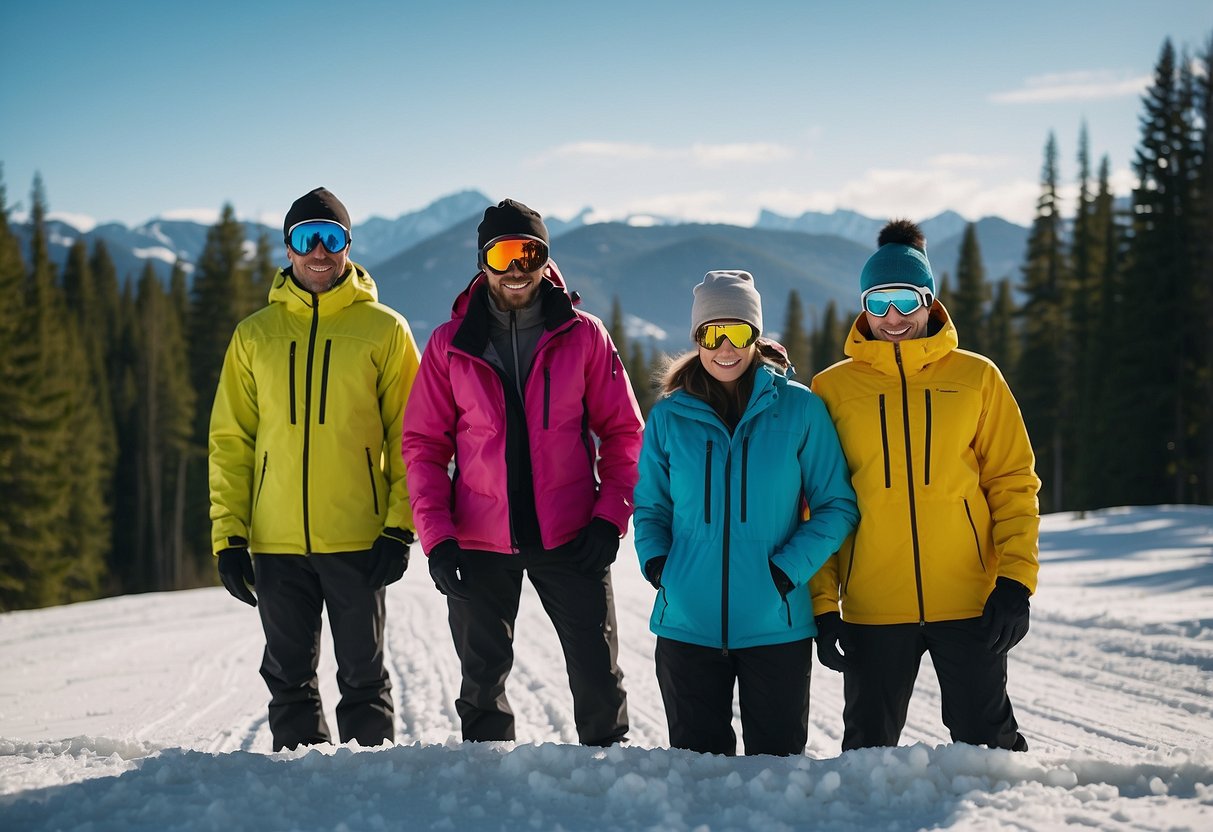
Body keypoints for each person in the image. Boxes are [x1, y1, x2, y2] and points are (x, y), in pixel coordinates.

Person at [401, 198, 642, 746]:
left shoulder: (584, 335)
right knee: (482, 684)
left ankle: (610, 785)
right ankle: (490, 793)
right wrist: (437, 539)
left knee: (599, 680)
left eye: (530, 253)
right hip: (479, 541)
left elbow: (625, 433)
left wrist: (609, 518)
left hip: (574, 534)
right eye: (505, 253)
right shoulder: (449, 346)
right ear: (483, 260)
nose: (518, 268)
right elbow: (423, 448)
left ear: (545, 259)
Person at [809, 219, 1040, 752]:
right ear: (863, 305)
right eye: (878, 301)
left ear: (929, 301)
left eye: (906, 301)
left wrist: (1015, 582)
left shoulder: (977, 377)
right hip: (872, 603)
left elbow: (1012, 482)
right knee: (868, 753)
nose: (892, 317)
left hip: (970, 598)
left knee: (989, 746)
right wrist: (823, 603)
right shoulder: (832, 388)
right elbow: (817, 502)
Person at [209, 186, 421, 751]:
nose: (319, 250)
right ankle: (300, 790)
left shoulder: (385, 330)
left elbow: (413, 437)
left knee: (363, 678)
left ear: (348, 246)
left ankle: (374, 783)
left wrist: (400, 526)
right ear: (288, 248)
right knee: (288, 679)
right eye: (307, 238)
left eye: (332, 237)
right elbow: (231, 441)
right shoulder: (255, 336)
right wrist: (229, 535)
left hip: (358, 536)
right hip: (275, 542)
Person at [632, 270, 859, 757]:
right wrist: (660, 568)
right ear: (697, 339)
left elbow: (836, 505)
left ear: (756, 335)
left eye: (738, 332)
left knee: (775, 773)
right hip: (687, 625)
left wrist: (786, 571)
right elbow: (651, 506)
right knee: (698, 774)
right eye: (713, 334)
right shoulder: (670, 417)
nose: (726, 348)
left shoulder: (800, 411)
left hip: (776, 624)